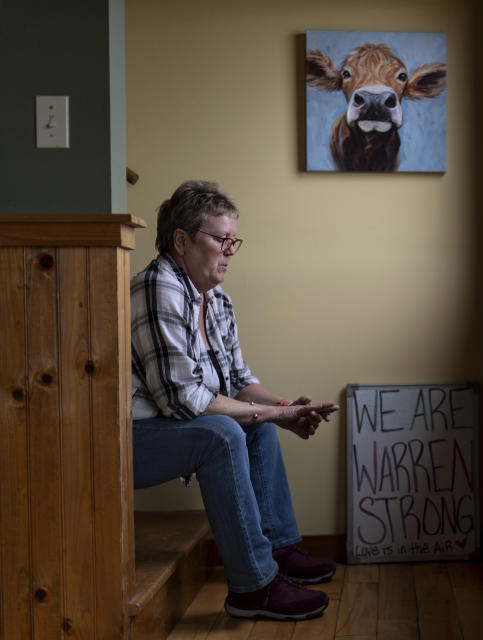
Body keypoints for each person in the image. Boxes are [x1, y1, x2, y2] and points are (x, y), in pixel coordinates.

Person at [130, 180, 338, 621]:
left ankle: (277, 552)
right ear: (181, 241)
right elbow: (183, 401)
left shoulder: (217, 299)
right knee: (224, 433)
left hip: (169, 427)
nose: (229, 250)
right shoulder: (156, 286)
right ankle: (253, 588)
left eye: (233, 240)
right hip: (129, 440)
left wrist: (285, 408)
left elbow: (240, 381)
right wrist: (278, 412)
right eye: (220, 239)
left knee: (256, 426)